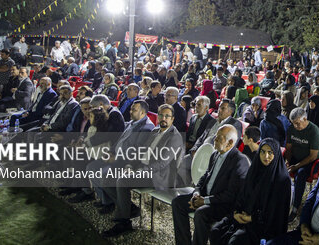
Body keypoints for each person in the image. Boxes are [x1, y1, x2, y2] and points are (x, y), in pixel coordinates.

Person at [101, 104, 184, 237]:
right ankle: (131, 209)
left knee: (122, 181)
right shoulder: (155, 131)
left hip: (158, 176)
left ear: (172, 119)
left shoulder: (174, 137)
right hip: (142, 169)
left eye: (167, 116)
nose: (163, 118)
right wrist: (130, 166)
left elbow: (162, 163)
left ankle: (124, 222)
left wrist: (139, 171)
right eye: (161, 115)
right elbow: (141, 153)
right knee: (108, 179)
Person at [172, 125, 250, 245]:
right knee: (177, 203)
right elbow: (205, 177)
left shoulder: (240, 161)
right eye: (215, 137)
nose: (215, 140)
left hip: (222, 204)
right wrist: (196, 193)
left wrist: (205, 201)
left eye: (219, 138)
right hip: (205, 196)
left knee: (201, 213)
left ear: (230, 143)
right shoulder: (215, 154)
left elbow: (231, 194)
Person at [210, 137, 290, 245]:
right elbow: (243, 194)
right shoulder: (255, 170)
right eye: (262, 152)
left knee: (236, 241)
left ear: (276, 154)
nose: (266, 156)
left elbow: (276, 212)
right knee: (216, 231)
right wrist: (236, 212)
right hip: (244, 215)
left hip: (265, 225)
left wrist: (252, 218)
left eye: (270, 153)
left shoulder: (281, 179)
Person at [285, 107, 319, 221]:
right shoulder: (292, 128)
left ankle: (295, 207)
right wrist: (287, 161)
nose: (296, 126)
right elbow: (288, 148)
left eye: (298, 123)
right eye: (294, 123)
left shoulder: (314, 131)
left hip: (310, 161)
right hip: (295, 157)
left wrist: (296, 166)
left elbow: (313, 156)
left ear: (305, 119)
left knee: (300, 174)